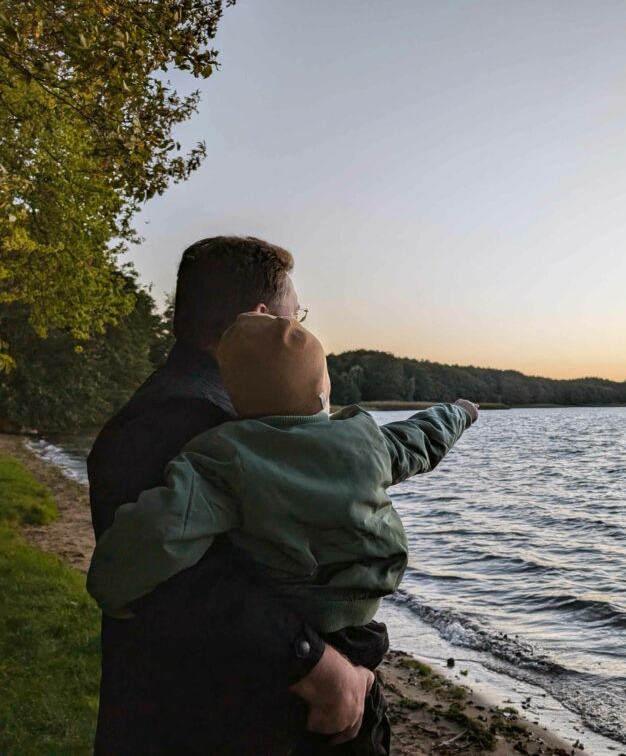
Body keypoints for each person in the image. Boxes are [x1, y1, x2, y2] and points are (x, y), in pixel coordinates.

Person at [88, 312, 478, 753]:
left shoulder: (224, 456)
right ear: (322, 391)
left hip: (294, 628)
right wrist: (459, 412)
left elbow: (161, 530)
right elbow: (419, 439)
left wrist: (113, 590)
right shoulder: (363, 440)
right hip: (358, 630)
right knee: (361, 727)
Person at [87, 237, 375, 754]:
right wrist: (317, 665)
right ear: (261, 318)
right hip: (220, 722)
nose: (302, 325)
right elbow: (175, 582)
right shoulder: (180, 418)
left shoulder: (210, 410)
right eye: (297, 314)